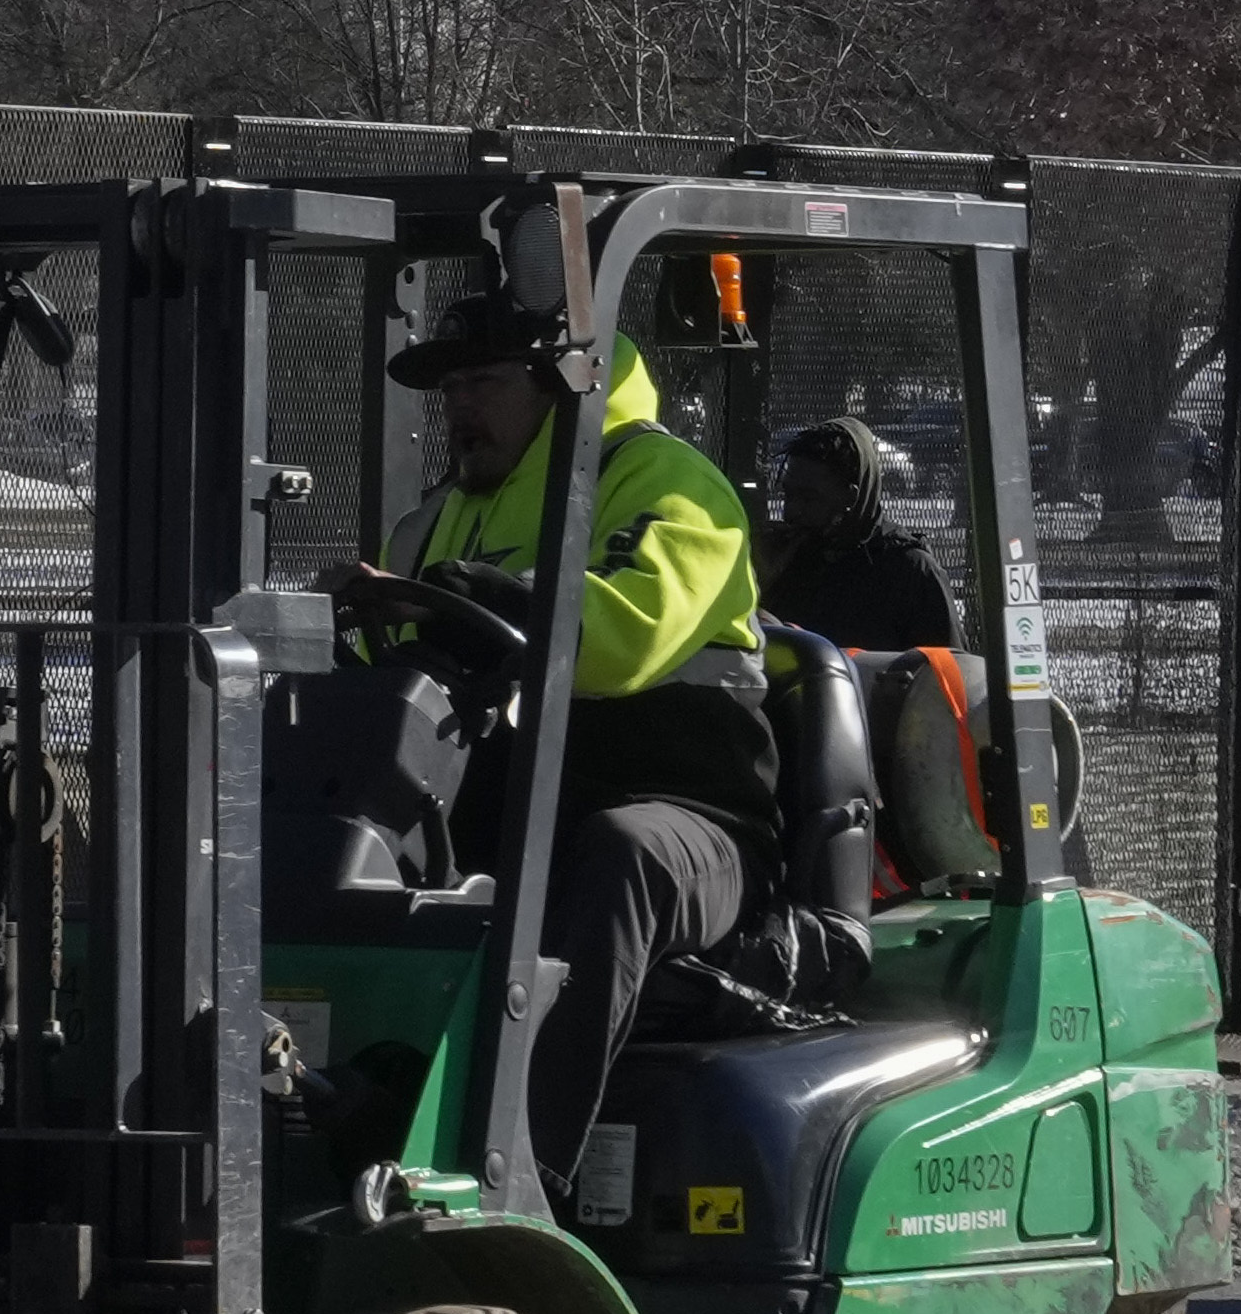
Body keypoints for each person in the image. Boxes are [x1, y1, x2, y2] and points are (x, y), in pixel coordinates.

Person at [358, 286, 851, 1132]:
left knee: (619, 854)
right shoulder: (436, 519)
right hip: (520, 809)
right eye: (450, 390)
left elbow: (619, 635)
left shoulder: (671, 487)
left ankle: (523, 1164)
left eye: (484, 382)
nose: (459, 408)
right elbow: (382, 666)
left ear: (560, 381)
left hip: (697, 822)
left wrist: (453, 600)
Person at [757, 418, 964, 654]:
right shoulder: (788, 557)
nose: (790, 512)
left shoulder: (907, 569)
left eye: (809, 499)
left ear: (850, 497)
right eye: (788, 494)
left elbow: (947, 672)